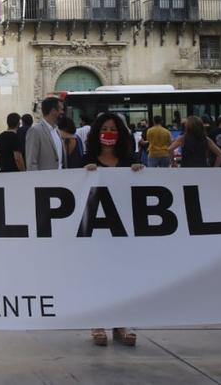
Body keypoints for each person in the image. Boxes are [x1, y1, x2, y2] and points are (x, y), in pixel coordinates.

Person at [81, 112, 144, 347]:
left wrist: (139, 173)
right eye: (105, 128)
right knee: (97, 275)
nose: (110, 132)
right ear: (97, 132)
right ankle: (97, 322)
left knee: (122, 275)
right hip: (95, 228)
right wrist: (84, 174)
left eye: (115, 128)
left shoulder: (131, 160)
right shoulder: (85, 159)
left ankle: (120, 324)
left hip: (123, 227)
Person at [25, 97, 65, 171]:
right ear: (53, 110)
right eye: (61, 109)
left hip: (60, 179)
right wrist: (39, 181)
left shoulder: (57, 131)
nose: (63, 112)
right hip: (44, 181)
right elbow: (31, 163)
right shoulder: (35, 131)